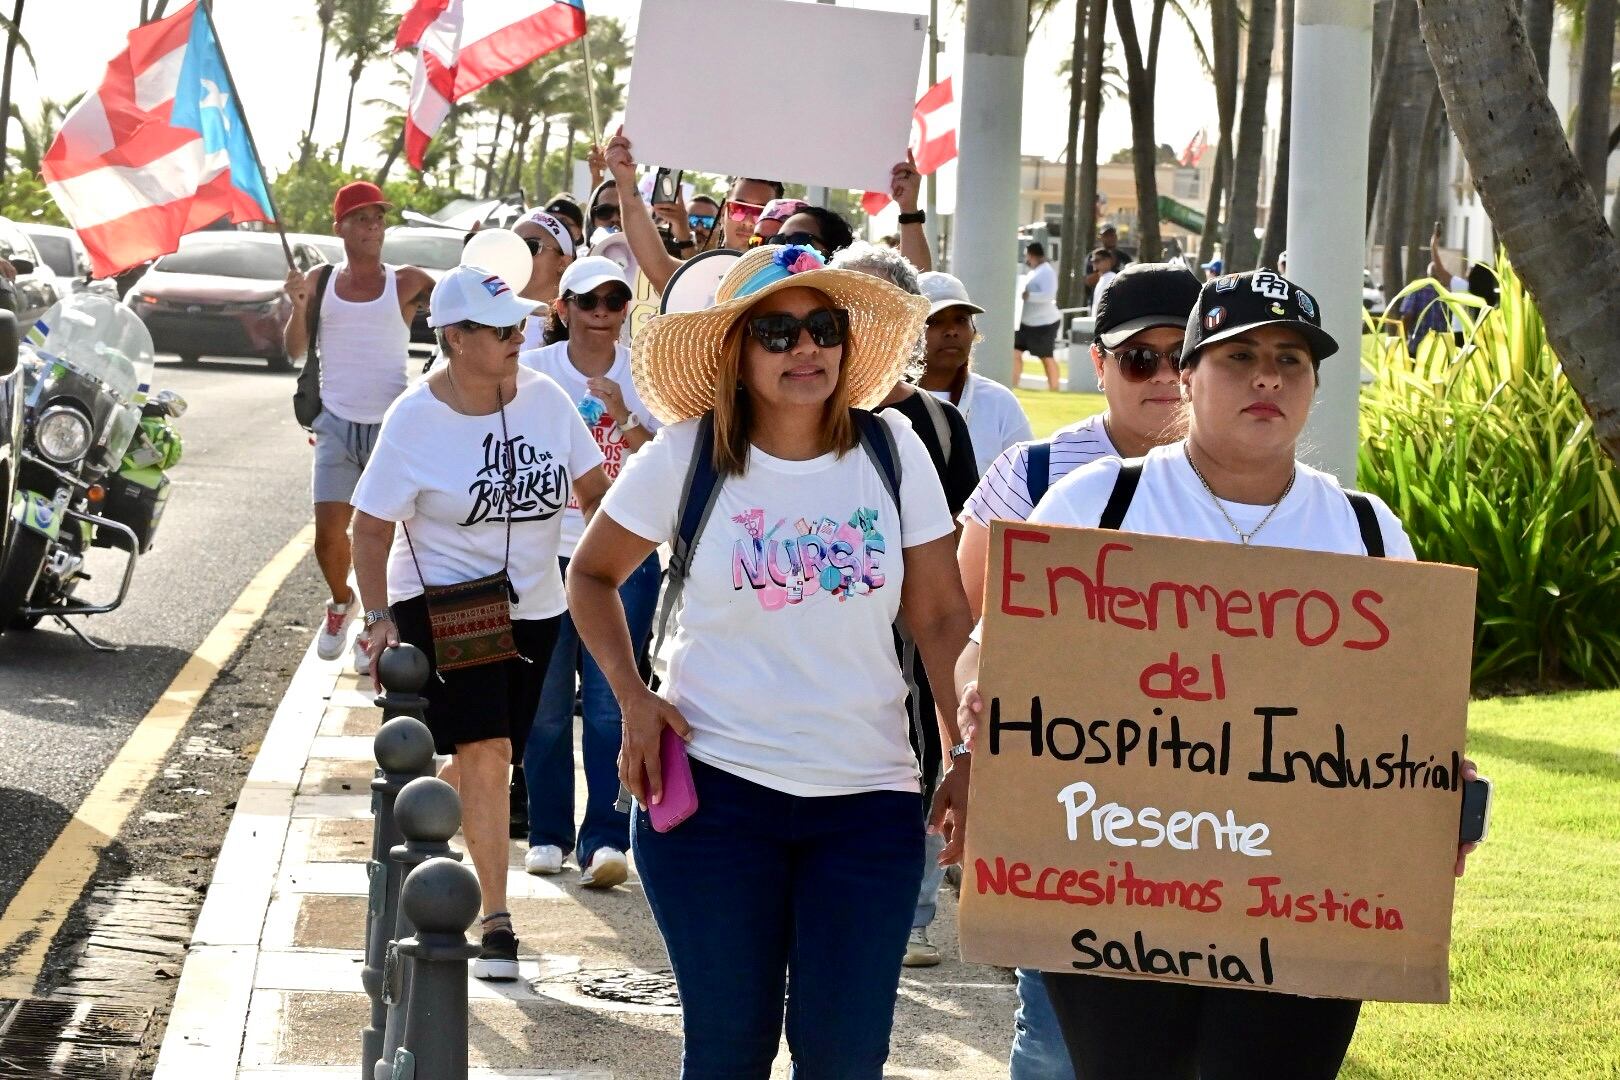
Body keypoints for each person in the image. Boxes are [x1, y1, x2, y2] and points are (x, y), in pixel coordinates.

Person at [954, 269, 1480, 1078]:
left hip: (1308, 900)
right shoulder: (1095, 505)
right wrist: (978, 692)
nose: (1268, 376)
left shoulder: (1368, 533)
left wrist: (1437, 788)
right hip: (1113, 888)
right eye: (1239, 356)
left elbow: (1407, 715)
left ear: (1312, 386)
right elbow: (988, 649)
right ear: (1188, 377)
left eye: (1291, 359)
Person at [566, 245, 974, 1076]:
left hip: (868, 805)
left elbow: (938, 619)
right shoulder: (686, 455)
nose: (806, 349)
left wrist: (966, 750)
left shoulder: (895, 451)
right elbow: (592, 574)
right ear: (737, 353)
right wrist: (632, 696)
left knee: (846, 1057)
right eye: (778, 332)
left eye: (822, 328)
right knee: (727, 1053)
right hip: (715, 804)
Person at [956, 261, 1200, 1078]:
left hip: (1209, 810)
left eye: (1183, 354)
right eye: (1140, 358)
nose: (1164, 377)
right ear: (1098, 364)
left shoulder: (1248, 486)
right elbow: (967, 623)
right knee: (1058, 1042)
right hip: (1065, 803)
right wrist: (974, 730)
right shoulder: (1032, 476)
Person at [350, 263, 611, 981]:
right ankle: (494, 919)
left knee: (483, 758)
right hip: (444, 606)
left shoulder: (548, 399)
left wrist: (608, 569)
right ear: (454, 338)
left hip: (535, 606)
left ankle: (419, 843)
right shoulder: (414, 417)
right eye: (498, 330)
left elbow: (596, 494)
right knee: (490, 749)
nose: (516, 339)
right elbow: (369, 530)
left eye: (520, 326)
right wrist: (376, 619)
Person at [831, 241, 979, 970]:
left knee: (921, 751)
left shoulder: (941, 426)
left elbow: (963, 537)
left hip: (918, 630)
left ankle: (914, 912)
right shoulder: (803, 413)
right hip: (833, 629)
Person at [515, 256, 660, 887]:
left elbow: (669, 461)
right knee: (544, 707)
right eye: (588, 300)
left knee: (610, 706)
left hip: (623, 556)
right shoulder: (533, 373)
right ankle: (547, 832)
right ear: (563, 308)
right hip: (542, 555)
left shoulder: (646, 375)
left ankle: (603, 836)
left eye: (614, 300)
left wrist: (625, 413)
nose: (601, 312)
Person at [283, 180, 436, 675]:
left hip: (392, 429)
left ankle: (376, 626)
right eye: (361, 218)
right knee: (328, 535)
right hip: (334, 424)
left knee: (381, 537)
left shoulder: (407, 280)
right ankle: (340, 602)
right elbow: (293, 351)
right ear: (340, 227)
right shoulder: (322, 280)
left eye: (378, 218)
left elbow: (461, 307)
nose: (373, 226)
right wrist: (297, 304)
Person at [601, 131, 783, 293]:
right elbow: (657, 264)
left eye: (761, 211)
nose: (749, 221)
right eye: (740, 209)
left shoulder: (786, 285)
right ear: (723, 213)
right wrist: (625, 182)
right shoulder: (698, 279)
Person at [918, 272, 1033, 476]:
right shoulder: (884, 401)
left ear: (974, 331)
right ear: (907, 331)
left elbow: (1028, 484)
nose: (952, 331)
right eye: (934, 321)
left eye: (961, 319)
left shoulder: (999, 402)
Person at [512, 208, 576, 344]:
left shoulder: (582, 330)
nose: (519, 255)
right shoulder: (490, 324)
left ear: (563, 263)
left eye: (531, 246)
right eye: (513, 247)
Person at [1015, 242, 1063, 391]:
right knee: (1014, 353)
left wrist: (1028, 296)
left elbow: (1049, 295)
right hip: (1025, 323)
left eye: (1027, 255)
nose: (1026, 259)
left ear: (1031, 254)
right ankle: (1013, 385)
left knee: (1046, 358)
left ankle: (1054, 389)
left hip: (1044, 324)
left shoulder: (1047, 271)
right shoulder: (1033, 272)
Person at [1083, 222, 1133, 288]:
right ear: (1100, 238)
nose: (1110, 238)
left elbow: (1132, 279)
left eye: (1112, 235)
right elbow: (1088, 282)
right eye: (1106, 236)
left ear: (1116, 236)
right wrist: (1103, 269)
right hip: (1099, 295)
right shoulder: (1093, 256)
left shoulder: (1124, 257)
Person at [1089, 247, 1119, 311]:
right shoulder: (1103, 278)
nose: (1094, 263)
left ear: (1108, 260)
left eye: (1097, 260)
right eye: (1092, 261)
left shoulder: (1112, 279)